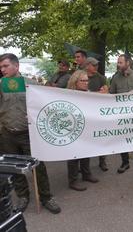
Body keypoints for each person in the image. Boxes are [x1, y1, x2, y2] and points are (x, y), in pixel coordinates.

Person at [0, 53, 61, 214]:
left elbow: (43, 106)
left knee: (38, 166)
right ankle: (23, 196)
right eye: (1, 67)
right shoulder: (0, 85)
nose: (2, 69)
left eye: (5, 66)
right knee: (14, 167)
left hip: (29, 133)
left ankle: (46, 197)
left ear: (16, 66)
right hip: (7, 134)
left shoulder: (31, 84)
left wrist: (34, 114)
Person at [109, 54, 133, 182]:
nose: (118, 64)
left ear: (127, 63)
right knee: (122, 141)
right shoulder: (115, 78)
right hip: (121, 117)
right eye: (117, 62)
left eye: (120, 62)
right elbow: (111, 96)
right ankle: (125, 163)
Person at [67, 70, 99, 191]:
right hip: (73, 129)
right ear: (75, 82)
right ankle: (73, 180)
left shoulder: (89, 93)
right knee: (73, 154)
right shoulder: (68, 95)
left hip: (87, 128)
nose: (86, 83)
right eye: (83, 80)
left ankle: (86, 174)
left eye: (87, 80)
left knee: (86, 151)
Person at [85, 57, 109, 171]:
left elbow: (106, 91)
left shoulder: (101, 78)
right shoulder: (80, 76)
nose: (96, 67)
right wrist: (95, 94)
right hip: (85, 113)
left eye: (97, 65)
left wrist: (103, 92)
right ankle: (84, 166)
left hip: (99, 112)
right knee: (85, 139)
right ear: (87, 65)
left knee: (101, 137)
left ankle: (102, 161)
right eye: (94, 65)